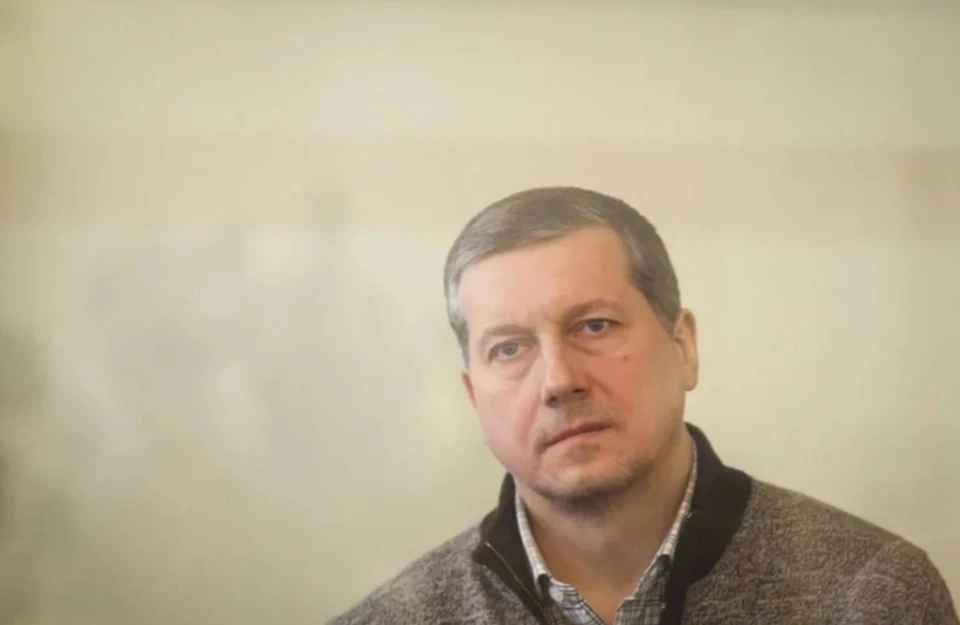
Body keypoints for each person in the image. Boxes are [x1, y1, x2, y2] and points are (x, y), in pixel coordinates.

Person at [329, 187, 958, 625]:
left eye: (594, 326)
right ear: (474, 397)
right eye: (510, 348)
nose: (559, 381)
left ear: (683, 348)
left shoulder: (871, 595)